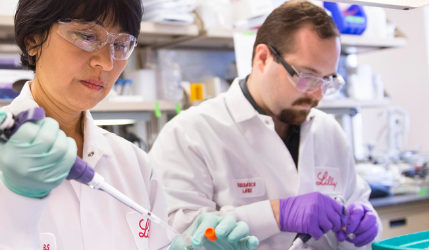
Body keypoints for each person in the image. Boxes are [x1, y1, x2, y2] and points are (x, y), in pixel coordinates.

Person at [0, 0, 259, 249]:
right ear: (34, 38)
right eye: (86, 36)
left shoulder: (134, 163)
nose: (105, 62)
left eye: (121, 44)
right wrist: (17, 199)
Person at [150, 1, 381, 249]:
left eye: (327, 80)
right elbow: (174, 232)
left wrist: (365, 220)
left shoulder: (329, 131)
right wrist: (275, 215)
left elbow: (358, 200)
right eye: (307, 77)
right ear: (262, 58)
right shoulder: (190, 133)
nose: (317, 95)